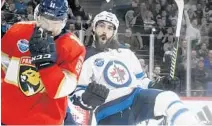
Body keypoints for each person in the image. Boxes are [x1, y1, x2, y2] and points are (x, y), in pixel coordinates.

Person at [66, 11, 200, 125]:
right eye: (101, 26)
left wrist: (158, 84)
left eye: (110, 28)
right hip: (109, 109)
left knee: (168, 98)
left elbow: (142, 80)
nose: (105, 31)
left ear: (114, 32)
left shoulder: (126, 52)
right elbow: (76, 91)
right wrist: (85, 98)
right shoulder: (84, 55)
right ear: (94, 28)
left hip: (137, 98)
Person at [1, 0, 85, 124]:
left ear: (64, 21)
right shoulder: (17, 30)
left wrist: (46, 64)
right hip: (7, 117)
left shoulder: (74, 47)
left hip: (44, 121)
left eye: (55, 20)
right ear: (37, 15)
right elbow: (2, 68)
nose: (49, 26)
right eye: (45, 18)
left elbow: (62, 90)